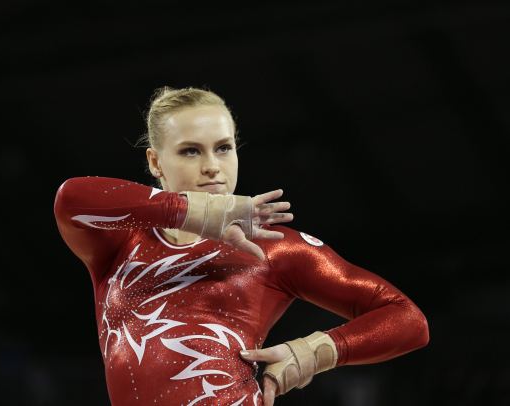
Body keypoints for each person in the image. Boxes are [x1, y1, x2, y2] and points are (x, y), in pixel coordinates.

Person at [53, 86, 429, 405]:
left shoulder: (274, 248)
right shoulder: (120, 240)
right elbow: (71, 198)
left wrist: (314, 353)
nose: (212, 166)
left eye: (223, 148)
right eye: (190, 151)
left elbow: (407, 320)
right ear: (155, 162)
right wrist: (190, 211)